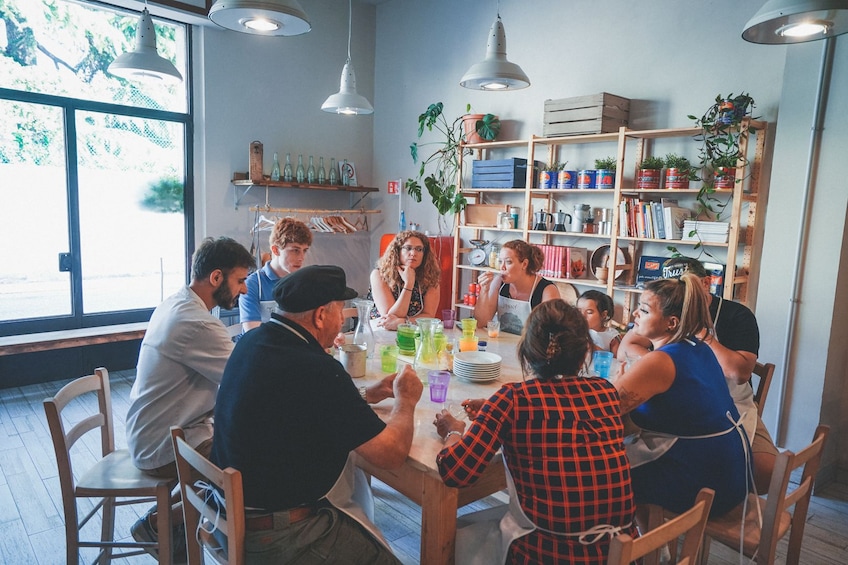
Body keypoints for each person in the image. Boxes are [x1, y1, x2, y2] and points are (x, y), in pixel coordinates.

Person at [212, 265, 423, 564]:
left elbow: (296, 404)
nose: (342, 321)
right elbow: (391, 455)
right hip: (277, 535)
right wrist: (406, 400)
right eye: (340, 312)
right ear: (320, 315)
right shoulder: (316, 369)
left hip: (228, 515)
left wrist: (363, 395)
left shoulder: (252, 342)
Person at [433, 299, 636, 564]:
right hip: (622, 551)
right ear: (584, 350)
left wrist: (453, 431)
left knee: (460, 532)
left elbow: (456, 471)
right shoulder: (605, 392)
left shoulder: (513, 399)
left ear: (526, 350)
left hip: (550, 553)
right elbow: (562, 420)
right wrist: (494, 412)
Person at [126, 236, 255, 554]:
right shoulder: (197, 324)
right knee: (250, 465)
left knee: (244, 444)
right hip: (164, 442)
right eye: (240, 280)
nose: (244, 290)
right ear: (216, 277)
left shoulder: (177, 303)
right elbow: (248, 379)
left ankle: (170, 523)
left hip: (153, 428)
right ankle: (166, 524)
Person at [618, 257, 778, 494]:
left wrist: (654, 366)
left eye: (643, 309)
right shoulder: (690, 348)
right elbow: (626, 348)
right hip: (702, 436)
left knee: (609, 463)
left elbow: (738, 373)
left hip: (731, 411)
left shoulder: (733, 317)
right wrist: (648, 367)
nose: (634, 314)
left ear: (705, 283)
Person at [613, 274, 750, 520]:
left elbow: (606, 409)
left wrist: (617, 382)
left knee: (604, 471)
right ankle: (653, 547)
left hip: (702, 483)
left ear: (671, 323)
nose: (635, 314)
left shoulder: (661, 360)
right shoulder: (699, 348)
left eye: (643, 310)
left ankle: (639, 549)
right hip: (731, 474)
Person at [240, 217, 313, 333]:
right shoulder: (253, 284)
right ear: (275, 250)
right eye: (295, 250)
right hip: (261, 349)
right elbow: (252, 333)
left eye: (304, 250)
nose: (301, 258)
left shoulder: (301, 283)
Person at [474, 240, 560, 335]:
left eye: (508, 262)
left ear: (524, 264)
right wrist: (484, 291)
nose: (502, 267)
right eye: (500, 261)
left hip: (532, 348)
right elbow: (481, 322)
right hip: (503, 344)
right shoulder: (498, 283)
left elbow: (551, 332)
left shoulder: (547, 290)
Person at [367, 230, 440, 330]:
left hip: (413, 330)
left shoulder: (430, 276)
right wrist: (409, 284)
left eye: (419, 249)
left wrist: (405, 322)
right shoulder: (379, 275)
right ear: (397, 251)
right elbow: (391, 318)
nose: (413, 253)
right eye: (408, 248)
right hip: (380, 331)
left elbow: (429, 316)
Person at [577, 289, 621, 356]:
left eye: (589, 312)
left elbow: (617, 360)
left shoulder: (612, 336)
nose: (582, 315)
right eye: (579, 311)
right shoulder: (575, 331)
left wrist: (591, 347)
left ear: (603, 315)